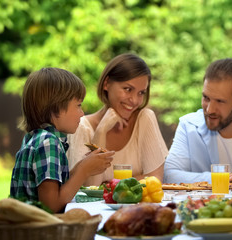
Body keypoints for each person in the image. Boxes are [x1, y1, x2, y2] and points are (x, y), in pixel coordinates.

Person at [10, 68, 115, 213]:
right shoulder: (48, 143)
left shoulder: (35, 138)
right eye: (78, 105)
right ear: (56, 108)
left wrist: (81, 167)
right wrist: (83, 171)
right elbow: (51, 206)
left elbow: (56, 189)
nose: (82, 113)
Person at [67, 53, 168, 185]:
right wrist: (101, 131)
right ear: (106, 84)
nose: (134, 100)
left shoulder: (144, 119)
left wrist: (110, 184)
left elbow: (155, 179)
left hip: (140, 205)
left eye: (141, 92)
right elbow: (90, 187)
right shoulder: (81, 127)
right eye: (127, 89)